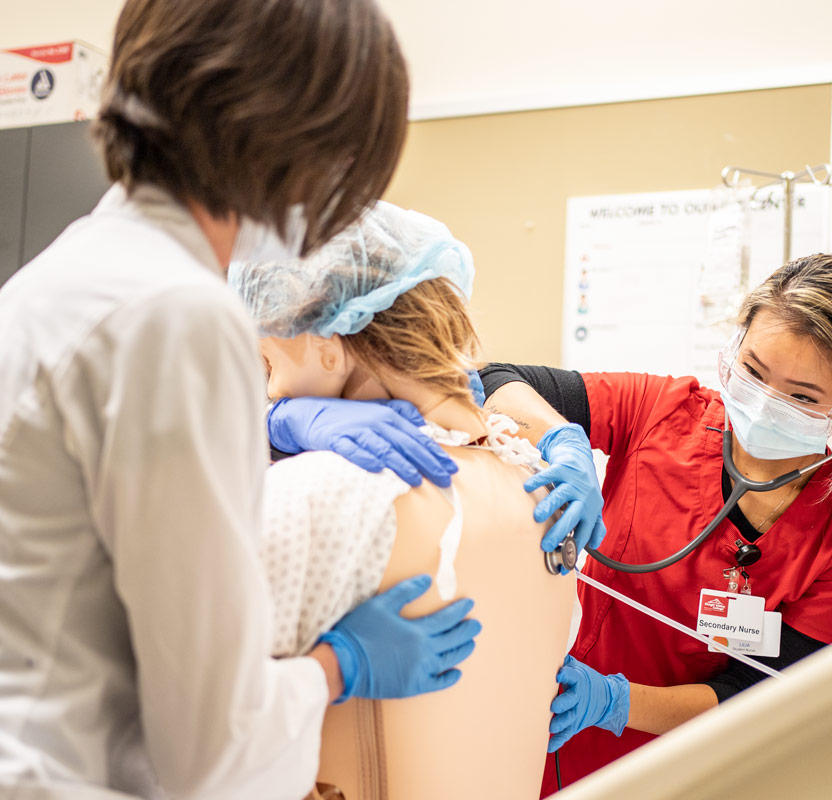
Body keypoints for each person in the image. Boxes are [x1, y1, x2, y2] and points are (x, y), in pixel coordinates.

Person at [0, 2, 479, 798]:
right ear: (297, 140)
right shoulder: (175, 313)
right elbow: (211, 752)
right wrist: (337, 667)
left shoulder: (57, 279)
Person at [480, 254, 832, 792]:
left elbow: (761, 696)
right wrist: (559, 439)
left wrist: (614, 701)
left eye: (802, 397)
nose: (764, 403)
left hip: (697, 769)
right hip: (550, 732)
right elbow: (497, 381)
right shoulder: (660, 412)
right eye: (754, 372)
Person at [231, 201, 576, 799]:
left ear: (326, 343)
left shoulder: (316, 497)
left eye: (265, 362)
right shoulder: (545, 492)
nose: (269, 392)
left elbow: (187, 729)